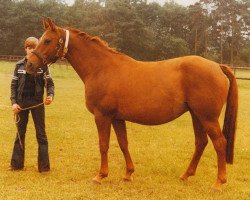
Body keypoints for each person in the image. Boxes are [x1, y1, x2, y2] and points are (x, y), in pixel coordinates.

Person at [10, 37, 54, 172]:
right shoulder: (19, 65)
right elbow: (13, 86)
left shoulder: (43, 66)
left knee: (41, 134)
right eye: (29, 48)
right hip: (21, 104)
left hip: (37, 103)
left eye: (34, 48)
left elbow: (50, 84)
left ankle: (44, 167)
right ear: (25, 49)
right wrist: (14, 103)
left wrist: (50, 95)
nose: (31, 50)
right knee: (20, 133)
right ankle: (16, 165)